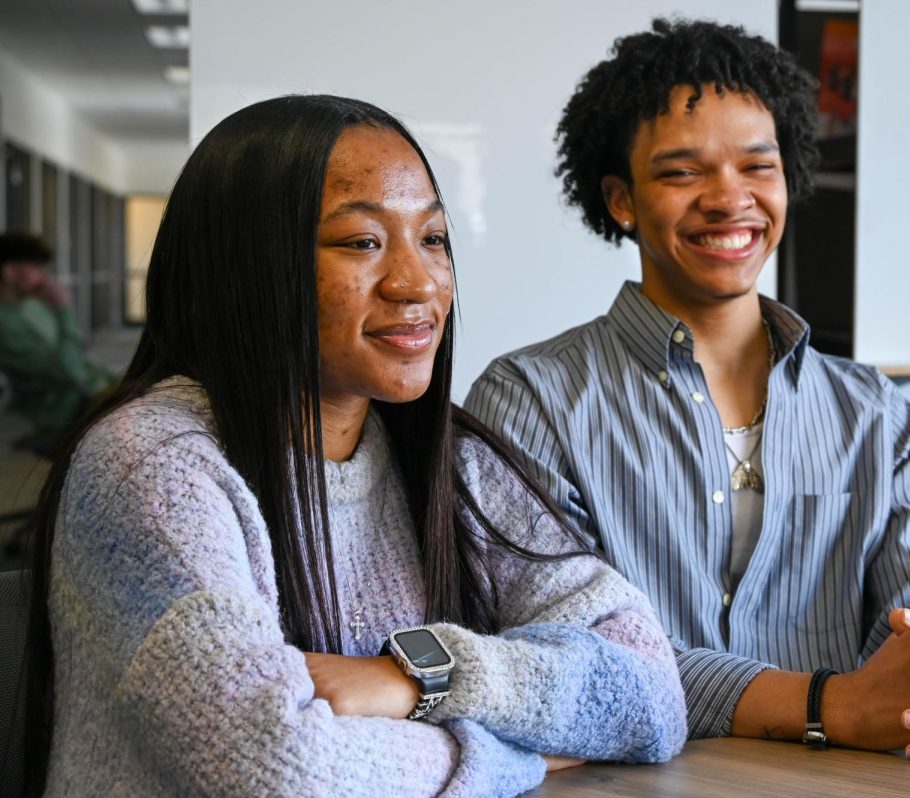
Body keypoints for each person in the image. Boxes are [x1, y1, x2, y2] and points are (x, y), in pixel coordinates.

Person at [16, 95, 686, 797]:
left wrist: (419, 679)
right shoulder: (152, 468)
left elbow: (648, 691)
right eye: (363, 243)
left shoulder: (452, 460)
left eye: (432, 239)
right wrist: (512, 757)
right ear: (246, 267)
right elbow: (276, 767)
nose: (417, 282)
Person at [465, 18, 910, 762]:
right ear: (620, 199)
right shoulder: (529, 398)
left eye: (758, 166)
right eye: (682, 172)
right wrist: (833, 704)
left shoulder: (874, 415)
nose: (730, 200)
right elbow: (562, 657)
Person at [0, 232, 113, 448]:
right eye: (36, 267)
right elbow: (68, 370)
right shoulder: (6, 324)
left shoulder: (34, 304)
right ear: (9, 272)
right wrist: (63, 309)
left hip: (90, 388)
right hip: (71, 402)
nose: (44, 276)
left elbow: (76, 357)